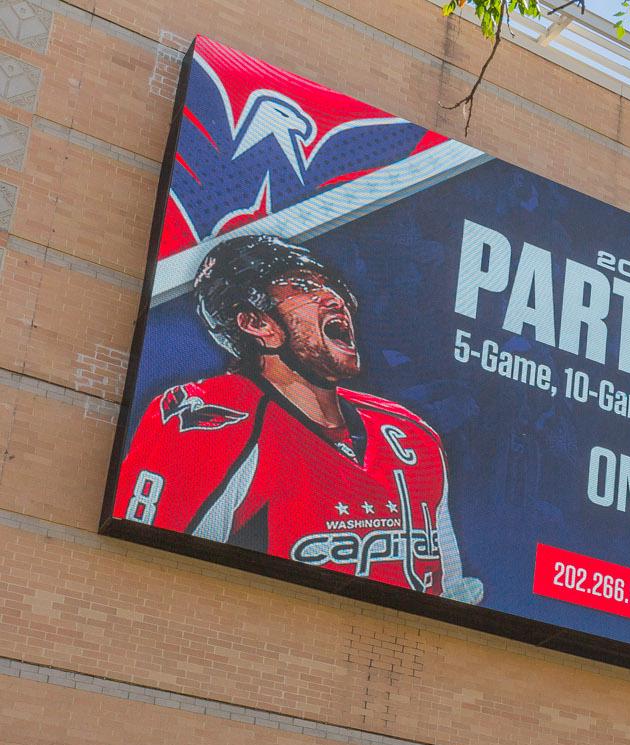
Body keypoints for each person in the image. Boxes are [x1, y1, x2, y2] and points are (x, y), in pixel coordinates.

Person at [113, 233, 482, 603]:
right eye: (304, 286)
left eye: (329, 286)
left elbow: (448, 592)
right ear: (258, 324)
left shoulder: (410, 433)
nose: (335, 298)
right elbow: (145, 575)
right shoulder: (213, 416)